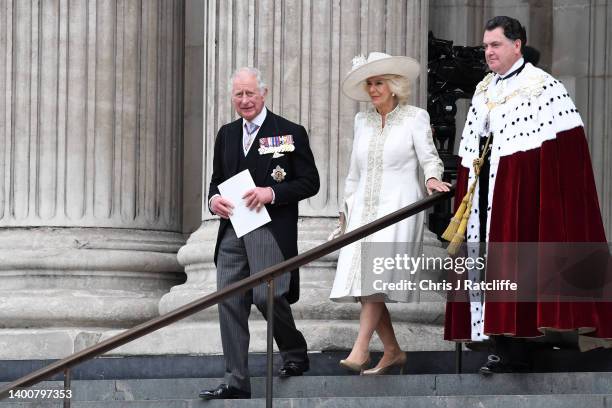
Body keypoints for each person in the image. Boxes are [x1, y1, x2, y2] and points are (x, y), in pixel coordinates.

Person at [444, 16, 610, 374]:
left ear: (516, 45)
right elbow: (473, 145)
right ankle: (499, 344)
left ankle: (516, 348)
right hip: (484, 192)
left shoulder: (542, 86)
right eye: (486, 45)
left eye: (495, 45)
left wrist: (539, 196)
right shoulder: (485, 87)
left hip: (521, 195)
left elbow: (567, 155)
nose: (488, 52)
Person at [199, 67, 320, 400]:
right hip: (232, 228)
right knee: (229, 299)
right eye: (238, 94)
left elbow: (310, 182)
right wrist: (213, 201)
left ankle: (294, 351)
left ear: (264, 93)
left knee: (266, 296)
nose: (245, 100)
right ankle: (236, 379)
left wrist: (272, 193)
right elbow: (216, 180)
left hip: (268, 227)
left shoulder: (289, 131)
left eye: (250, 93)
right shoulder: (225, 134)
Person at [329, 52, 450, 375]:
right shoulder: (362, 121)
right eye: (369, 83)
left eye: (378, 82)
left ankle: (361, 348)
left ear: (394, 85)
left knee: (373, 279)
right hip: (362, 210)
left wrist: (433, 179)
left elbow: (429, 158)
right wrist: (345, 214)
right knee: (363, 284)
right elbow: (354, 174)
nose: (373, 89)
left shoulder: (415, 117)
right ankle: (393, 350)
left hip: (398, 208)